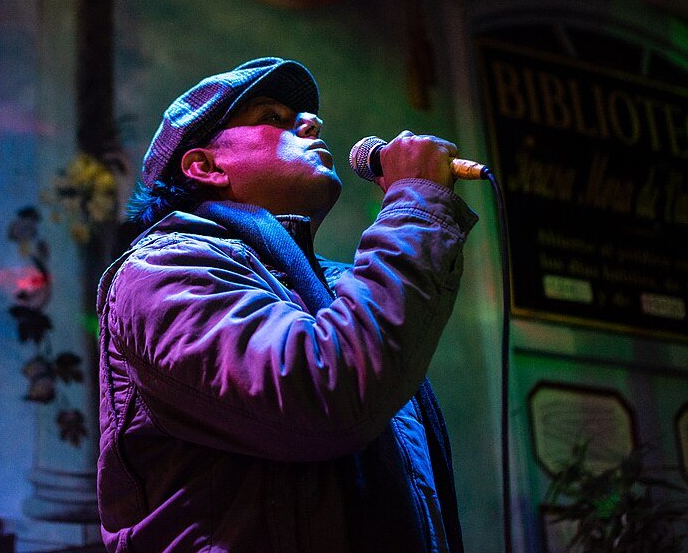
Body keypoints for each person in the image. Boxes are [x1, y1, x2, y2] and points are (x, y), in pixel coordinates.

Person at [96, 57, 478, 552]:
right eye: (272, 116)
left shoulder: (339, 292)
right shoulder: (165, 272)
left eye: (304, 115)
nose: (311, 122)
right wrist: (416, 204)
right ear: (205, 167)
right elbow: (326, 390)